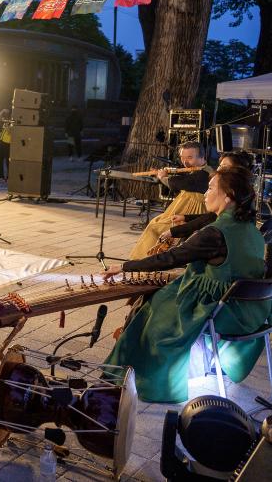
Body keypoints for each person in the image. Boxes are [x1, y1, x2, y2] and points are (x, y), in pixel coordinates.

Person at [103, 168, 269, 403]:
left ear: (228, 196)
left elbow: (172, 258)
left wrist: (125, 267)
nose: (205, 193)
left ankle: (139, 377)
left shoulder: (216, 233)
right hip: (252, 311)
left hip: (224, 310)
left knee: (153, 307)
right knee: (162, 296)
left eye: (211, 188)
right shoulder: (252, 230)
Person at [128, 142, 212, 260]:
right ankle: (147, 261)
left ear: (202, 157)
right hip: (185, 207)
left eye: (190, 157)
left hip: (193, 211)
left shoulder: (203, 174)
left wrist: (162, 177)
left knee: (155, 228)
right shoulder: (198, 171)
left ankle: (143, 262)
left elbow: (181, 182)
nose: (185, 162)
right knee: (155, 222)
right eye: (183, 158)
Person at [158, 152, 253, 245]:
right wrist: (185, 218)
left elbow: (208, 218)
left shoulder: (230, 191)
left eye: (224, 166)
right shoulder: (242, 190)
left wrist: (174, 232)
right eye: (219, 165)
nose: (218, 169)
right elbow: (210, 216)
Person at [0, 108, 12, 181]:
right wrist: (2, 111)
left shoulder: (12, 122)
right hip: (1, 142)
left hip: (8, 143)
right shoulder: (4, 121)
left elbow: (9, 132)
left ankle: (9, 177)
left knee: (8, 161)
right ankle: (1, 176)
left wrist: (7, 126)